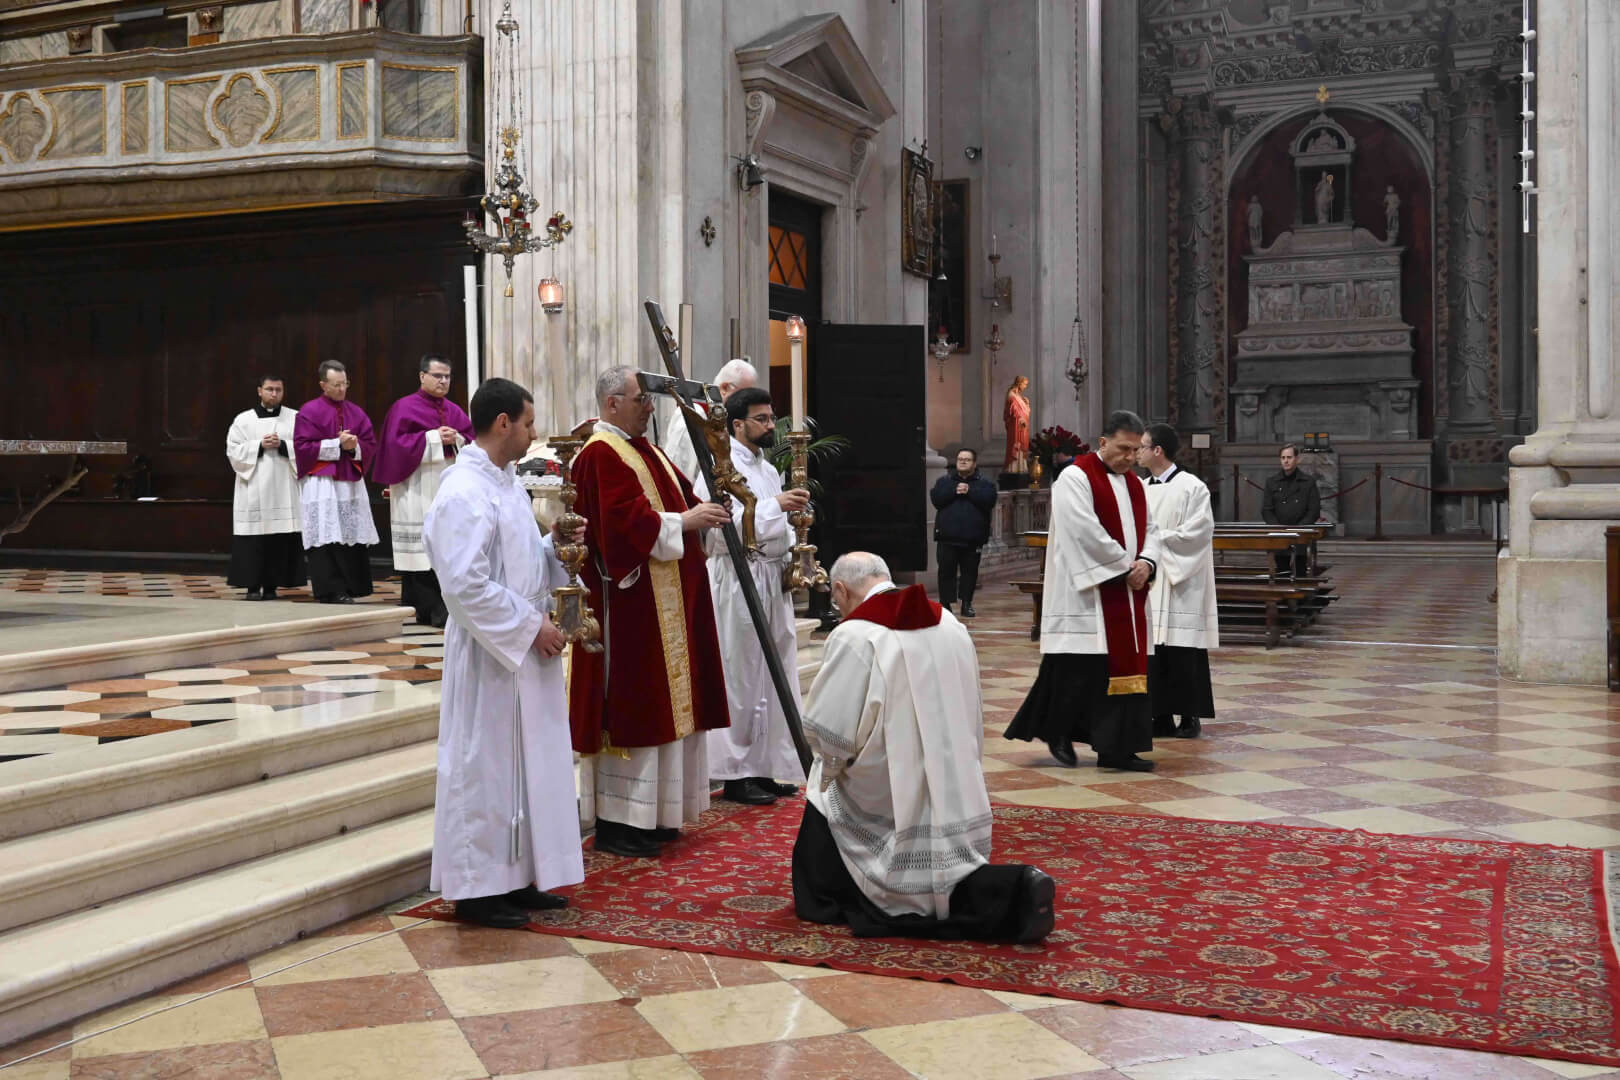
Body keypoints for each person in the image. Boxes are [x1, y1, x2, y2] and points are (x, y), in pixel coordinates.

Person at [792, 552, 1055, 943]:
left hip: (888, 790)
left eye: (836, 600)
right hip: (953, 779)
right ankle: (1010, 890)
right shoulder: (947, 621)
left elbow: (830, 732)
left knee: (822, 793)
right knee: (950, 869)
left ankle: (1011, 891)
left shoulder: (855, 635)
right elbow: (972, 704)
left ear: (841, 590)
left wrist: (829, 765)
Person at [422, 378, 585, 929]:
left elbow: (516, 560)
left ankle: (517, 876)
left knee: (526, 766)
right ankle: (479, 889)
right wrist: (529, 625)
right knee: (486, 768)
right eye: (529, 423)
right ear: (502, 423)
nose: (533, 434)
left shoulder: (507, 484)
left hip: (523, 649)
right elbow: (463, 584)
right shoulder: (464, 491)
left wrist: (555, 545)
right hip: (489, 655)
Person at [569, 365, 734, 859]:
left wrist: (709, 509)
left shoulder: (649, 451)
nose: (649, 407)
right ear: (612, 402)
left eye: (648, 399)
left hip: (670, 600)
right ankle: (621, 822)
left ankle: (657, 815)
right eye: (641, 398)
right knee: (636, 709)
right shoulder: (600, 453)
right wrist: (685, 520)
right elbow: (620, 528)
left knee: (665, 708)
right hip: (630, 605)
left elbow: (688, 501)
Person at [1004, 410, 1161, 771]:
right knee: (1076, 670)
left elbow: (1153, 529)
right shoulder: (1075, 478)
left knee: (1112, 670)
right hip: (1086, 593)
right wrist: (1125, 567)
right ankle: (1058, 730)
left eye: (1135, 450)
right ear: (1103, 442)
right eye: (1123, 449)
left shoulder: (1136, 484)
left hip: (1126, 592)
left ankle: (1117, 748)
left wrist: (1147, 562)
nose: (1130, 457)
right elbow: (1083, 530)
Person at [694, 387, 808, 806]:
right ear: (737, 424)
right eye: (761, 418)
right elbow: (720, 530)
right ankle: (736, 773)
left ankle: (767, 766)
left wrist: (794, 540)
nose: (770, 425)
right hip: (737, 577)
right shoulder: (717, 469)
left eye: (771, 417)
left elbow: (779, 524)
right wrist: (777, 506)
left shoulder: (768, 468)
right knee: (740, 675)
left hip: (770, 576)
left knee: (776, 672)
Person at [372, 355, 475, 627]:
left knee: (446, 551)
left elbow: (472, 441)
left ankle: (441, 608)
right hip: (415, 489)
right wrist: (433, 437)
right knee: (419, 554)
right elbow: (395, 446)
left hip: (447, 490)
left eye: (447, 376)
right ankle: (426, 607)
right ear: (422, 376)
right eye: (437, 376)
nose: (443, 381)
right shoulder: (404, 407)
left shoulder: (454, 410)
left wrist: (457, 439)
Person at [1137, 425, 1217, 740]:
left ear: (1158, 450)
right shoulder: (1139, 488)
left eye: (1143, 446)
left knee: (1183, 651)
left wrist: (1155, 543)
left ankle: (1189, 716)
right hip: (1150, 580)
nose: (1137, 452)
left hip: (1182, 580)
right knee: (1153, 650)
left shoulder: (1192, 487)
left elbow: (1197, 534)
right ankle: (1159, 715)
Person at [293, 360, 378, 604]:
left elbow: (370, 444)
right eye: (336, 384)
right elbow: (302, 447)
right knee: (326, 535)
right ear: (323, 385)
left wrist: (353, 447)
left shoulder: (356, 412)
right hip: (323, 483)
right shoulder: (309, 411)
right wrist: (336, 444)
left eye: (345, 384)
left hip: (349, 483)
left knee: (350, 535)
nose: (342, 389)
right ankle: (330, 590)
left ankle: (353, 587)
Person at [225, 374, 305, 601]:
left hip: (283, 488)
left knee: (278, 540)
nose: (274, 394)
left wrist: (284, 446)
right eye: (270, 389)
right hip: (253, 487)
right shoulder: (243, 420)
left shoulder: (295, 418)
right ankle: (252, 587)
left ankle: (272, 586)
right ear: (259, 390)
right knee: (254, 540)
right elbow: (233, 451)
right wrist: (259, 445)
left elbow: (305, 448)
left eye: (279, 389)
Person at [662, 358, 757, 481]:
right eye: (746, 396)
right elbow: (678, 472)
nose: (750, 404)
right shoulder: (695, 413)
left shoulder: (733, 422)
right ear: (725, 388)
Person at [930, 446, 997, 617]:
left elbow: (989, 501)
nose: (963, 462)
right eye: (960, 459)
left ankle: (967, 603)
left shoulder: (985, 483)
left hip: (973, 537)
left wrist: (969, 491)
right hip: (947, 537)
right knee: (946, 571)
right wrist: (954, 490)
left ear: (974, 463)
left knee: (970, 572)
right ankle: (945, 604)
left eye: (967, 460)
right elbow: (936, 499)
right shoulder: (945, 481)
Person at [1261, 443, 1320, 578]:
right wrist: (1278, 529)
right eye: (1283, 458)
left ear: (1297, 459)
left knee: (1300, 572)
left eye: (1289, 457)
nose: (1286, 461)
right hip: (1279, 534)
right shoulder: (1271, 482)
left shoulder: (1308, 482)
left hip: (1301, 534)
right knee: (1282, 572)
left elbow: (1314, 510)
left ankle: (1300, 590)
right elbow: (1266, 510)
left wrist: (1298, 529)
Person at [1002, 374, 1030, 475]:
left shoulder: (1018, 396)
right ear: (1019, 383)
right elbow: (1014, 410)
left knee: (1022, 446)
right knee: (1016, 444)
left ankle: (1020, 467)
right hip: (1016, 426)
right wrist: (1021, 418)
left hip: (1022, 427)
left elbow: (1024, 411)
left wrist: (1027, 404)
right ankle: (1013, 468)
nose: (1025, 387)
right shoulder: (1012, 395)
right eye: (1024, 384)